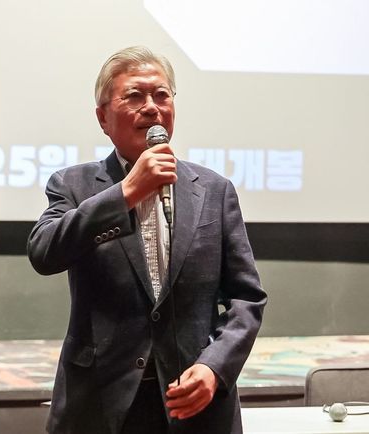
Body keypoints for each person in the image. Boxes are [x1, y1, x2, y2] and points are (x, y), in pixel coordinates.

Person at [27, 46, 267, 434]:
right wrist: (125, 193)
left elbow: (247, 298)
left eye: (161, 95)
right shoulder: (73, 185)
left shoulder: (214, 190)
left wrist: (214, 366)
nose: (152, 107)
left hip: (193, 403)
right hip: (100, 405)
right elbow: (43, 252)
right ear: (103, 118)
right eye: (135, 96)